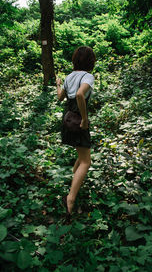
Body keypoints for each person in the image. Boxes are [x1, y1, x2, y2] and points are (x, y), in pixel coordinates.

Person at [56, 46, 96, 215]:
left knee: (81, 156)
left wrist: (58, 84)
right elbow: (80, 95)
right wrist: (85, 119)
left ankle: (74, 182)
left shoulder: (69, 76)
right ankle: (70, 199)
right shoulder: (88, 76)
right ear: (90, 61)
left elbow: (60, 97)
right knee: (86, 161)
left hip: (67, 119)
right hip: (79, 120)